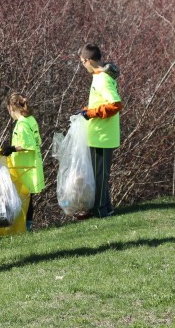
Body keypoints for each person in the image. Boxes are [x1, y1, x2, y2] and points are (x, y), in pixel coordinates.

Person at [75, 43, 122, 219]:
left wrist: (92, 113)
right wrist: (87, 110)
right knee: (98, 175)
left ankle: (100, 211)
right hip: (97, 134)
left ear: (88, 60)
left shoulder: (102, 79)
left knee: (100, 176)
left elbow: (115, 104)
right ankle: (107, 208)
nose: (82, 65)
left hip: (103, 136)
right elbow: (101, 102)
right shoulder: (98, 76)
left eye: (82, 62)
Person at [0, 93, 45, 232]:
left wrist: (11, 148)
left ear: (12, 108)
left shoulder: (22, 123)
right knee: (28, 197)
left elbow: (27, 144)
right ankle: (27, 226)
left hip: (25, 166)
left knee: (24, 197)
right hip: (32, 164)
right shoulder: (30, 119)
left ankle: (25, 226)